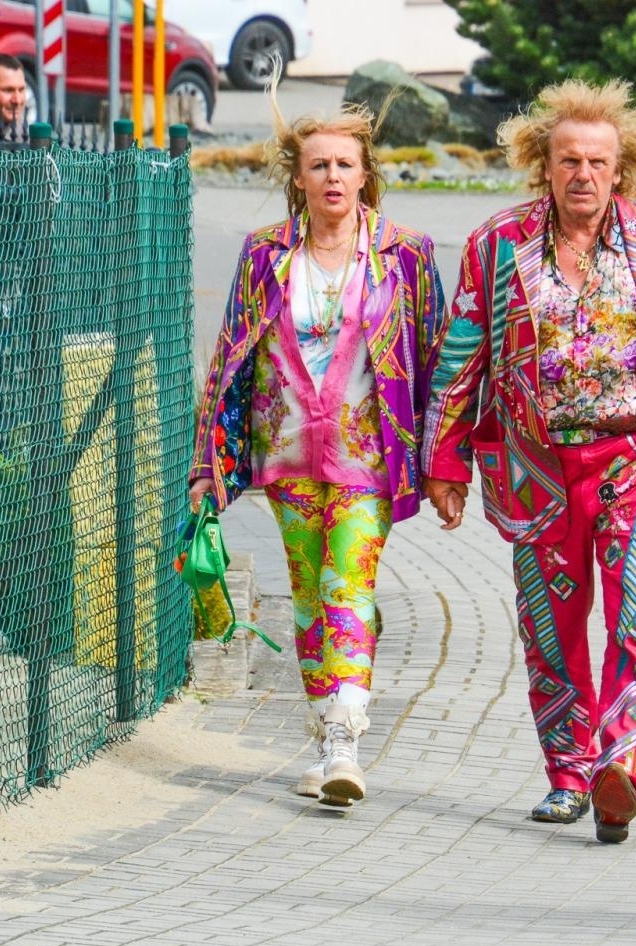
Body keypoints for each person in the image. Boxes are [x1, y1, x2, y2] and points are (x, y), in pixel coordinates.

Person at [420, 80, 636, 844]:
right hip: (536, 465)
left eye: (597, 162)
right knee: (552, 629)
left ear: (622, 169)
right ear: (542, 165)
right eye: (567, 159)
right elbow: (460, 357)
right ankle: (569, 774)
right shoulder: (498, 244)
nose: (582, 173)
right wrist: (444, 459)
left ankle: (621, 766)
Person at [188, 91, 446, 809]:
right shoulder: (265, 256)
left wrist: (448, 464)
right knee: (306, 598)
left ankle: (345, 737)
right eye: (318, 165)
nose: (333, 176)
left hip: (370, 458)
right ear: (296, 177)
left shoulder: (406, 256)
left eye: (345, 164)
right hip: (288, 458)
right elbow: (230, 359)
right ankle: (323, 725)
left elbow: (436, 361)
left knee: (347, 584)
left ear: (367, 175)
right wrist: (208, 465)